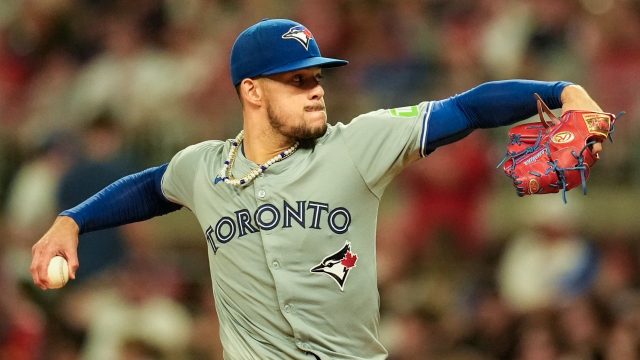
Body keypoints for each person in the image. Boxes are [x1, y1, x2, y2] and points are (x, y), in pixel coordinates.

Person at [30, 18, 609, 359]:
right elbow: (151, 187)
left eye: (317, 78)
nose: (316, 91)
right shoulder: (203, 167)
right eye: (297, 80)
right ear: (251, 92)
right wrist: (71, 221)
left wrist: (562, 90)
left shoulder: (358, 145)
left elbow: (467, 108)